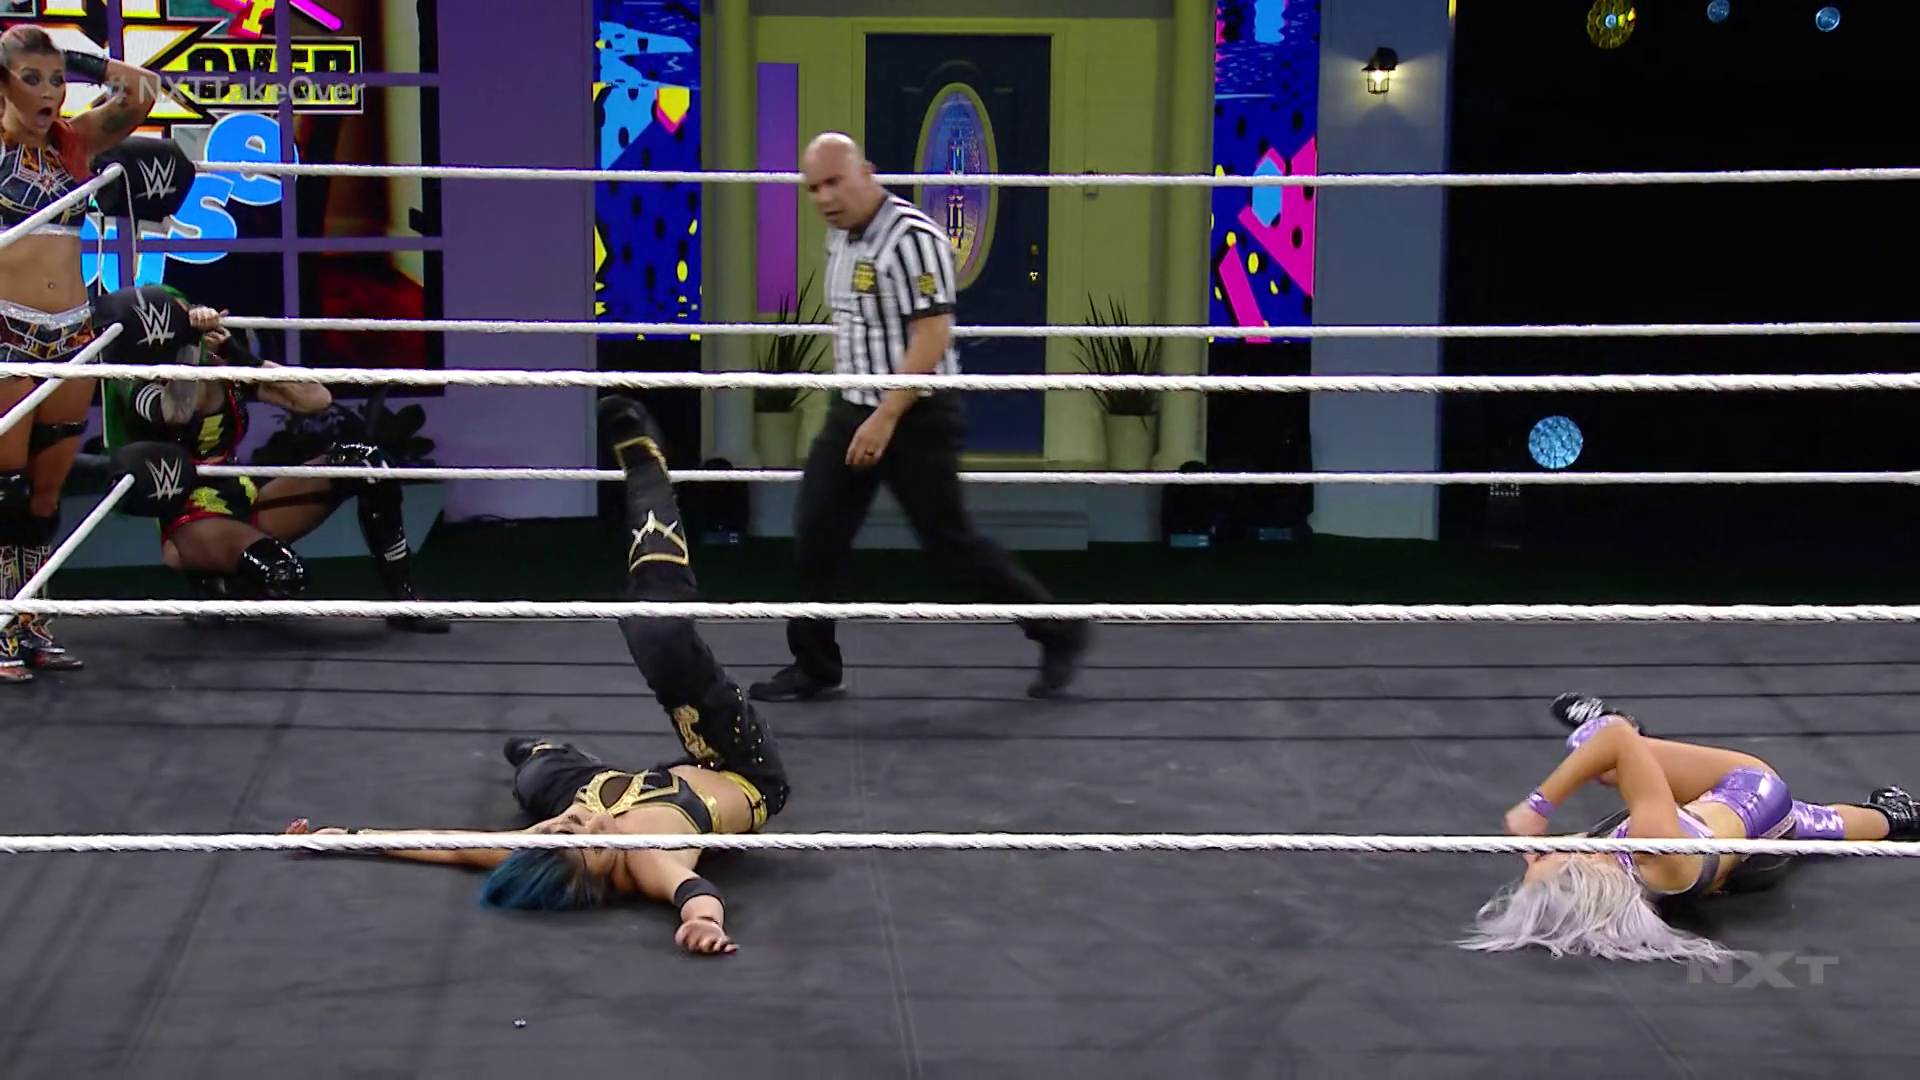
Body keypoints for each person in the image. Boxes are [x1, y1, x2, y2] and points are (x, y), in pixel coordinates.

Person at [283, 396, 792, 955]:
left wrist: (347, 837)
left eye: (562, 828)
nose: (587, 824)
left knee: (534, 778)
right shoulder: (646, 857)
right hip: (738, 767)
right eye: (589, 841)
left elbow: (448, 845)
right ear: (603, 873)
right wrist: (704, 925)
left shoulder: (547, 838)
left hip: (631, 781)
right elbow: (694, 893)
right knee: (656, 632)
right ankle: (648, 471)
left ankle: (540, 753)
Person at [748, 131, 1090, 705]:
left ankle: (1059, 631)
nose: (825, 197)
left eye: (835, 182)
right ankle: (815, 664)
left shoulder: (914, 238)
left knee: (950, 545)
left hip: (917, 414)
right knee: (816, 531)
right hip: (854, 407)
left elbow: (932, 335)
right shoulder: (840, 236)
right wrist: (862, 407)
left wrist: (886, 415)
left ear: (867, 172)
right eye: (814, 188)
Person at [1459, 692, 1920, 964]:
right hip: (1749, 792)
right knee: (1599, 748)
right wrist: (1538, 805)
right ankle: (1629, 734)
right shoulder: (1654, 853)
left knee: (1818, 825)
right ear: (1576, 876)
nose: (1533, 860)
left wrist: (1550, 850)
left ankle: (1896, 816)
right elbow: (1615, 740)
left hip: (1752, 852)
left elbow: (1571, 857)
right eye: (1540, 868)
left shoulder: (1624, 877)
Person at [99, 290, 447, 633]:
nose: (193, 318)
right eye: (181, 315)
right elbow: (177, 412)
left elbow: (317, 398)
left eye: (190, 310)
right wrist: (189, 347)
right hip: (191, 518)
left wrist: (241, 358)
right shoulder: (135, 383)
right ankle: (213, 585)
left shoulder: (223, 368)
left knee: (367, 463)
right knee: (283, 574)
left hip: (245, 497)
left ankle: (405, 601)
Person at [0, 26, 176, 683]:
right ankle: (0, 622)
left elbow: (141, 92)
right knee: (6, 492)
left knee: (46, 495)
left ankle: (30, 620)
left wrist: (82, 61)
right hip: (7, 332)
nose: (49, 92)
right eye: (32, 79)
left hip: (71, 333)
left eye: (56, 80)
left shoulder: (71, 143)